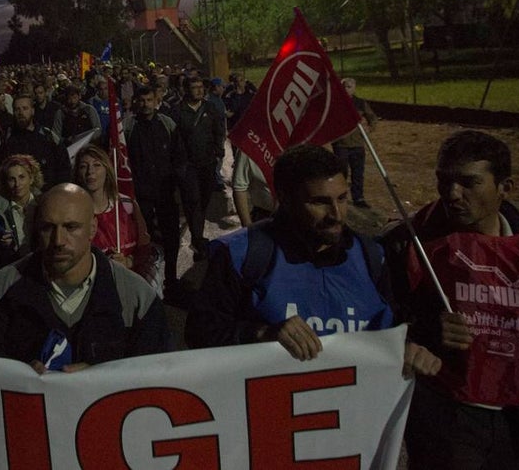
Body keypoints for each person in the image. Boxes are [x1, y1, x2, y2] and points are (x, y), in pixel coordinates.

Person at [382, 130, 519, 469]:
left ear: (505, 187)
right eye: (444, 180)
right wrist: (422, 334)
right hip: (444, 418)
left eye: (469, 183)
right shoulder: (409, 246)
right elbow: (375, 320)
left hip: (516, 416)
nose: (452, 194)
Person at [185, 144, 440, 377]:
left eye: (342, 198)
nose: (336, 215)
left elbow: (401, 329)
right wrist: (262, 334)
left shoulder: (374, 257)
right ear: (284, 199)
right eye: (320, 202)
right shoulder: (244, 254)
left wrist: (418, 346)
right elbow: (200, 332)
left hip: (360, 418)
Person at [0, 183, 170, 370]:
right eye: (47, 228)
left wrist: (103, 378)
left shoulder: (137, 298)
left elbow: (157, 378)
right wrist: (17, 375)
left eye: (71, 227)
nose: (59, 240)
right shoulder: (0, 289)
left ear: (92, 228)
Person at [123, 85, 187, 299]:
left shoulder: (166, 124)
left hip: (165, 193)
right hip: (141, 196)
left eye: (149, 100)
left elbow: (179, 156)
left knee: (171, 237)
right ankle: (145, 281)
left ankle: (171, 279)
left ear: (155, 100)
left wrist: (178, 184)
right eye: (141, 101)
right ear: (136, 102)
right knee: (144, 239)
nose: (145, 104)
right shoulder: (129, 127)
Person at [73, 145, 162, 296]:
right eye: (83, 166)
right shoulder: (75, 213)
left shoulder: (126, 204)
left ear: (107, 170)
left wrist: (128, 262)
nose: (90, 172)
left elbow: (144, 246)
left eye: (97, 165)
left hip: (133, 285)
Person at [174, 76, 226, 260]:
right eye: (194, 87)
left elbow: (218, 130)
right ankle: (198, 241)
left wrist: (219, 151)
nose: (198, 90)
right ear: (186, 90)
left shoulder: (209, 109)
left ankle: (197, 231)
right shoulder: (178, 111)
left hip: (207, 163)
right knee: (194, 201)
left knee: (203, 202)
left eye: (200, 87)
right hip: (188, 166)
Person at [0, 94, 70, 196]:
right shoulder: (5, 141)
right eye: (17, 109)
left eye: (25, 108)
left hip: (47, 198)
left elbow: (64, 168)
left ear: (32, 110)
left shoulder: (48, 137)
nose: (21, 113)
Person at [0, 154, 43, 269]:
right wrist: (4, 246)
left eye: (22, 177)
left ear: (31, 178)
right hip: (15, 268)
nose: (17, 184)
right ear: (5, 182)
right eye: (12, 179)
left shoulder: (44, 203)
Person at [331, 77, 377, 208]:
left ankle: (358, 198)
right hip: (341, 144)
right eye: (344, 86)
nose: (347, 89)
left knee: (358, 173)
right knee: (341, 172)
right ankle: (340, 196)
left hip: (357, 143)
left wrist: (369, 129)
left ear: (354, 88)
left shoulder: (360, 103)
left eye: (349, 87)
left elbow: (372, 117)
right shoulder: (335, 104)